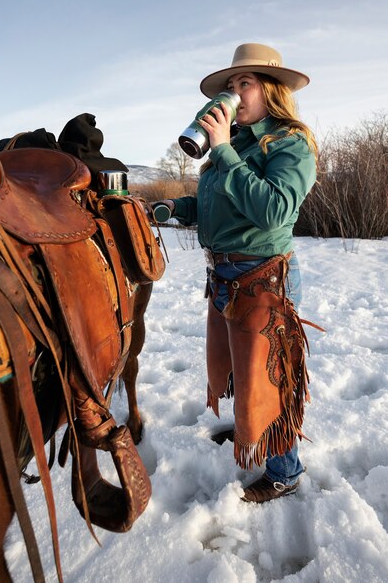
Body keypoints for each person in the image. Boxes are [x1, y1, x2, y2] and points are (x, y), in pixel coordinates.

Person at [156, 43, 317, 503]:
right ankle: (253, 429)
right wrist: (168, 207)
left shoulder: (290, 141)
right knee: (243, 376)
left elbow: (273, 209)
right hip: (226, 279)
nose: (234, 92)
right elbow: (216, 205)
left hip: (264, 278)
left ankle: (285, 471)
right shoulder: (238, 144)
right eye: (231, 85)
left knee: (270, 380)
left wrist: (224, 149)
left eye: (244, 82)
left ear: (271, 89)